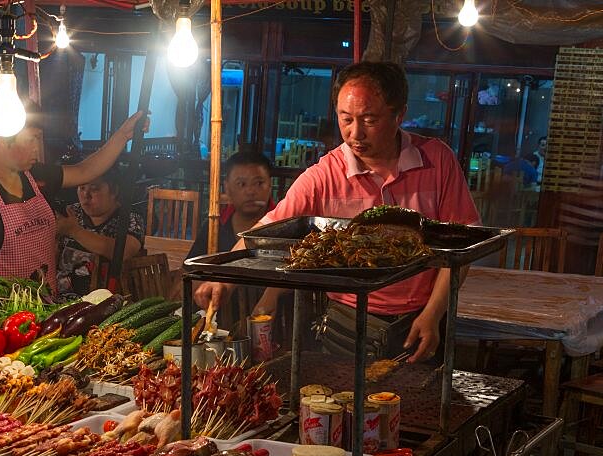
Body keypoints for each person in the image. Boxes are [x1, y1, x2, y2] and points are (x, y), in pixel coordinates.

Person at [195, 61, 480, 363]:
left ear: (400, 114)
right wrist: (223, 280)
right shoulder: (324, 175)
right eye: (346, 119)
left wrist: (433, 315)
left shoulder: (437, 161)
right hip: (347, 322)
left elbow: (460, 249)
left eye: (369, 119)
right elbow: (262, 234)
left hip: (423, 319)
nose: (355, 133)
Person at [0, 108, 147, 291]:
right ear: (4, 138)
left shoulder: (34, 174)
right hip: (1, 313)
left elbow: (85, 170)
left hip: (45, 307)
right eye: (32, 139)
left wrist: (123, 135)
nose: (37, 149)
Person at [188, 151, 275, 332]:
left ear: (270, 184)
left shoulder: (284, 227)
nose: (250, 191)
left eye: (259, 183)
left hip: (273, 329)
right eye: (241, 184)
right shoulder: (214, 227)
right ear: (227, 188)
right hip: (221, 327)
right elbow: (191, 273)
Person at [55, 166, 145, 296]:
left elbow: (125, 251)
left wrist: (74, 231)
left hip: (105, 299)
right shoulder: (71, 213)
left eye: (94, 189)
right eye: (82, 188)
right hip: (59, 297)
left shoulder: (129, 217)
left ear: (114, 191)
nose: (86, 195)